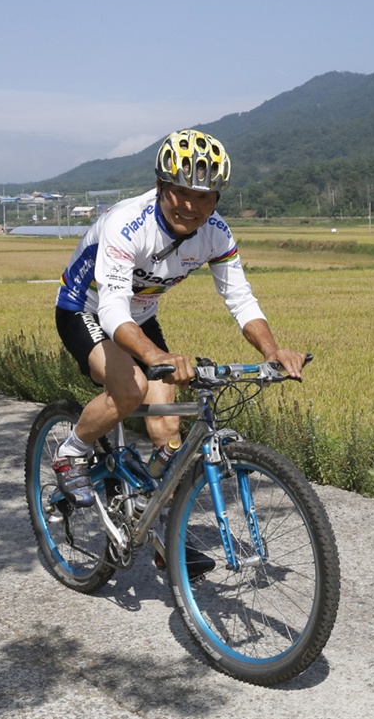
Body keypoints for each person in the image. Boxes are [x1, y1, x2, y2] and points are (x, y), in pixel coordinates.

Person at [51, 129, 307, 557]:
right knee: (130, 387)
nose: (191, 206)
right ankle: (70, 452)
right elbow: (113, 310)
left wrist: (271, 351)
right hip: (88, 310)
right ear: (160, 187)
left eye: (204, 197)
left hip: (142, 316)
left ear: (218, 199)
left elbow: (240, 298)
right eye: (180, 192)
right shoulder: (126, 224)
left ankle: (160, 531)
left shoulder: (217, 234)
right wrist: (155, 356)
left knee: (168, 431)